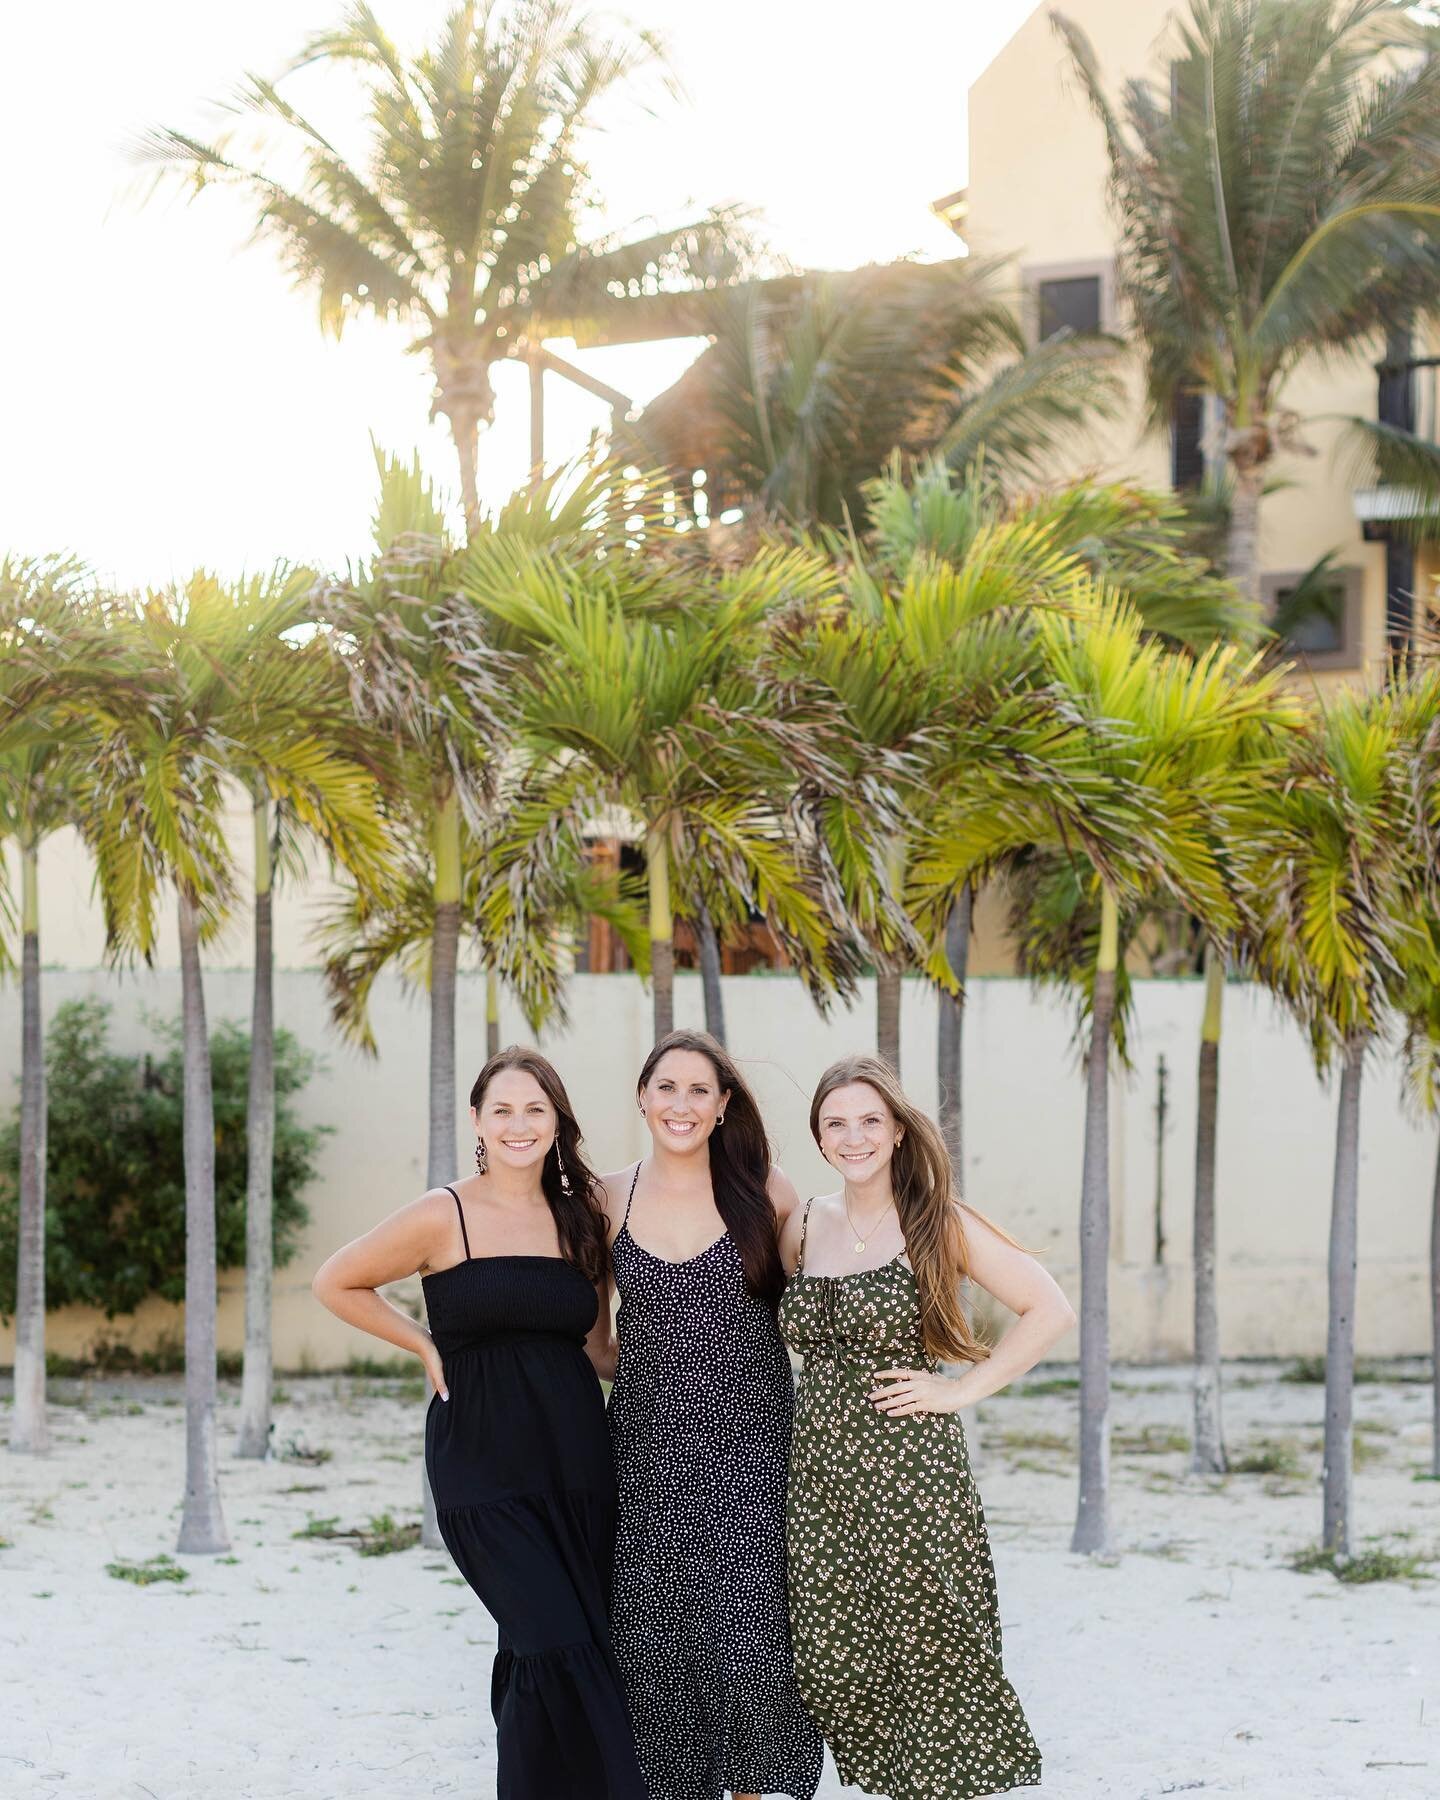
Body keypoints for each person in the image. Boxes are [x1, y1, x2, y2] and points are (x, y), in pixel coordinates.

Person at [311, 1046, 645, 1800]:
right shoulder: (444, 1211)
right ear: (477, 1121)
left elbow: (597, 1348)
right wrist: (420, 1342)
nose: (519, 1124)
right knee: (551, 1637)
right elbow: (337, 1280)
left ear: (558, 1120)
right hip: (480, 1463)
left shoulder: (581, 1217)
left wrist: (699, 1370)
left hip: (578, 1461)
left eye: (535, 1109)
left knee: (558, 1639)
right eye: (503, 1110)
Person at [778, 1054, 1075, 1800]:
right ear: (818, 1137)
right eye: (836, 1123)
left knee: (932, 1652)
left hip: (912, 1474)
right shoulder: (805, 1222)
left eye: (870, 1121)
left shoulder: (937, 1221)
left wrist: (960, 1391)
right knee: (833, 1656)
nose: (854, 1137)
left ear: (899, 1132)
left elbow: (1050, 1311)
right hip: (818, 1481)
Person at [600, 1028, 824, 1800]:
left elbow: (818, 1308)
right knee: (657, 1649)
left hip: (755, 1453)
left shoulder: (770, 1191)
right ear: (641, 1096)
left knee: (754, 1651)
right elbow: (596, 1343)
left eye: (700, 1090)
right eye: (667, 1087)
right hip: (645, 1455)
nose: (681, 1104)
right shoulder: (607, 1197)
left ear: (725, 1105)